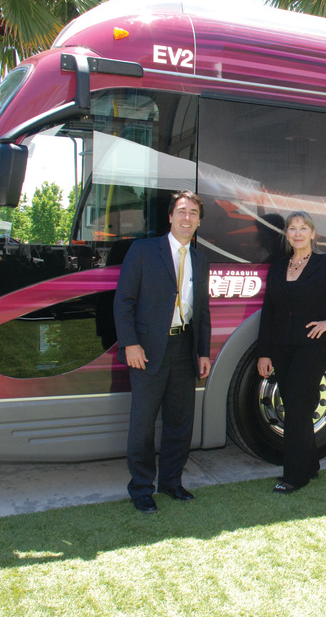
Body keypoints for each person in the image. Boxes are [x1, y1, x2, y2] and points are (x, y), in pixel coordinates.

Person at [256, 211, 326, 494]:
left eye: (303, 228)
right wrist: (264, 353)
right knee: (298, 408)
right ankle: (311, 465)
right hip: (281, 348)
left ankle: (295, 476)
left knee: (296, 409)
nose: (297, 233)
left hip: (312, 347)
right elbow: (269, 311)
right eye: (292, 228)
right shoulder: (279, 265)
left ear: (313, 233)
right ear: (287, 234)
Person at [114, 191, 212, 513]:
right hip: (147, 350)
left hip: (184, 348)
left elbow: (202, 312)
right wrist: (129, 343)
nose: (187, 218)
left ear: (199, 221)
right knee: (142, 425)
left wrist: (202, 352)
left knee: (180, 422)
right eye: (181, 211)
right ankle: (141, 489)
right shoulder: (143, 251)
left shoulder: (199, 259)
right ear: (170, 217)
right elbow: (124, 301)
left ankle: (171, 482)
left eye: (193, 213)